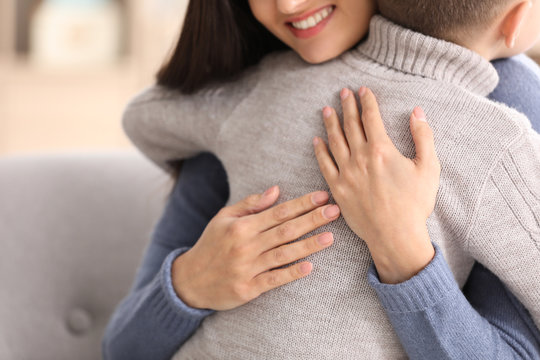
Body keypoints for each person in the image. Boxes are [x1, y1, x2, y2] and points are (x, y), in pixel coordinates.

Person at [103, 0, 540, 358]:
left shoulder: (507, 112)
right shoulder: (257, 89)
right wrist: (190, 283)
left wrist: (401, 250)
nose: (289, 5)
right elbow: (122, 349)